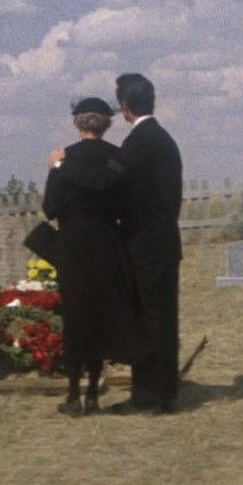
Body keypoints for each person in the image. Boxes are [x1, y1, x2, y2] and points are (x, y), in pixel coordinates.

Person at [50, 73, 183, 414]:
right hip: (163, 239)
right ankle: (161, 393)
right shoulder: (163, 138)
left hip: (146, 245)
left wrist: (62, 165)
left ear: (125, 106)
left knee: (150, 321)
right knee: (162, 320)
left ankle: (151, 397)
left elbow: (103, 181)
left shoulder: (140, 141)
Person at [41, 96, 148, 416]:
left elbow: (50, 208)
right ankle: (92, 393)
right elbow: (127, 205)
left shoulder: (63, 158)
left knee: (76, 316)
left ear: (77, 123)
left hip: (73, 245)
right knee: (101, 314)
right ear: (107, 123)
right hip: (107, 242)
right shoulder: (117, 157)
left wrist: (57, 171)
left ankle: (74, 394)